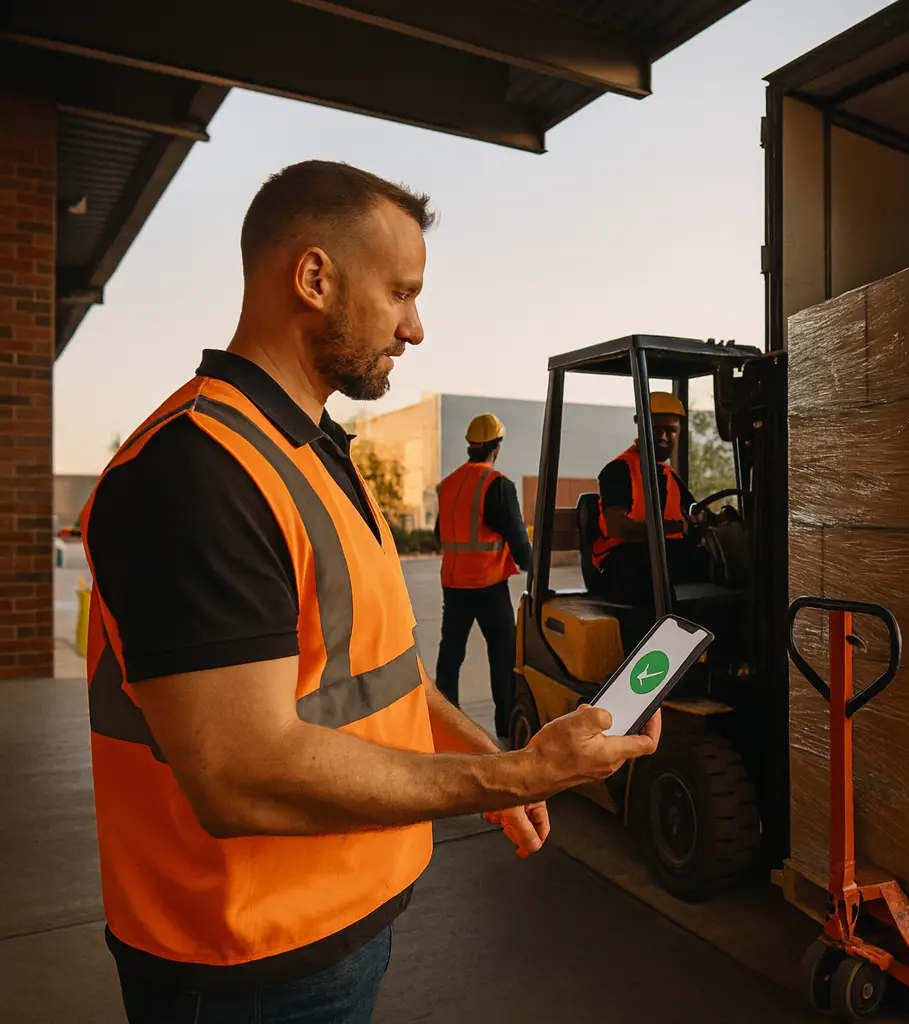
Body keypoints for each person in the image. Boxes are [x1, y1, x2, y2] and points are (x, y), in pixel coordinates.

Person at [79, 159, 659, 1024]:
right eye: (400, 293)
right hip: (247, 968)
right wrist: (512, 775)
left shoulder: (313, 453)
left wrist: (494, 765)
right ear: (314, 278)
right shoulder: (195, 472)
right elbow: (241, 777)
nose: (415, 328)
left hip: (340, 925)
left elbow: (382, 678)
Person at [433, 412, 533, 743]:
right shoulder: (497, 485)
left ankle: (444, 723)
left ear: (470, 445)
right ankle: (506, 727)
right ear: (496, 447)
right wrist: (534, 569)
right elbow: (518, 538)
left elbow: (440, 534)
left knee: (450, 655)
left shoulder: (448, 485)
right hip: (488, 585)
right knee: (503, 656)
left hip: (454, 585)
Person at [592, 392, 711, 605]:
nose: (663, 437)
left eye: (671, 430)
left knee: (724, 563)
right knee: (647, 568)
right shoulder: (619, 470)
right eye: (656, 429)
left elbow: (695, 511)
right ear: (640, 426)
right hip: (622, 563)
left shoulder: (669, 474)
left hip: (664, 556)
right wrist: (675, 527)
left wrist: (713, 521)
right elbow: (618, 527)